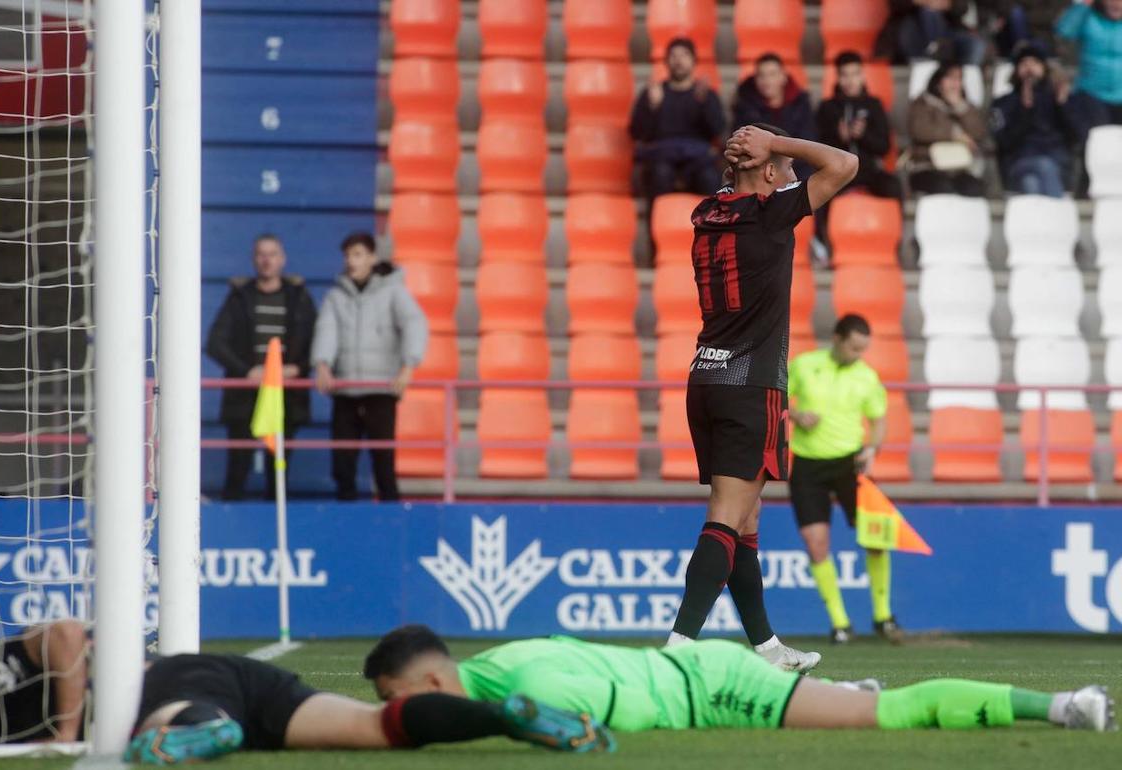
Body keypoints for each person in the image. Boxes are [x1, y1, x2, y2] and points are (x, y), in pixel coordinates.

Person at [667, 123, 859, 672]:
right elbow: (844, 164)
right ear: (770, 173)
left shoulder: (709, 213)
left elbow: (740, 187)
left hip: (706, 376)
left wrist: (754, 158)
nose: (793, 174)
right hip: (750, 386)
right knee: (726, 519)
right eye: (784, 169)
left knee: (746, 523)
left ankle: (768, 648)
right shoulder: (770, 213)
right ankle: (678, 648)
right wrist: (778, 142)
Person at [0, 620, 615, 760]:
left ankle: (206, 732)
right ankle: (504, 718)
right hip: (238, 675)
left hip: (165, 684)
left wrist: (66, 730)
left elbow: (69, 636)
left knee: (170, 718)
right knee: (373, 728)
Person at [365, 625, 1117, 734]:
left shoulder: (522, 681)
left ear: (433, 680)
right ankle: (840, 694)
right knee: (866, 709)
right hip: (695, 670)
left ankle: (1064, 707)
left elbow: (602, 721)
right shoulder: (487, 669)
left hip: (714, 687)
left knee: (892, 718)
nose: (396, 722)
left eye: (397, 706)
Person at [787, 315, 898, 644]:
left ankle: (883, 616)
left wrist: (873, 448)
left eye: (863, 349)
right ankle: (840, 623)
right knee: (816, 543)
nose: (858, 355)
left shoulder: (867, 377)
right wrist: (795, 414)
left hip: (851, 465)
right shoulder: (805, 365)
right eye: (853, 347)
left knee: (876, 538)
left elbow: (878, 421)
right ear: (836, 338)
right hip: (808, 465)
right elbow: (777, 397)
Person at [312, 232, 427, 503]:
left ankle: (393, 523)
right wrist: (322, 364)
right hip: (345, 391)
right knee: (342, 465)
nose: (352, 261)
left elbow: (415, 324)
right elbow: (326, 330)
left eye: (358, 254)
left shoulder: (394, 291)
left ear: (372, 258)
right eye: (348, 255)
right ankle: (347, 522)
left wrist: (409, 366)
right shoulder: (336, 296)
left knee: (383, 464)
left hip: (381, 390)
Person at [206, 234, 316, 501]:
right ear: (255, 259)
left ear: (283, 259)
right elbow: (215, 343)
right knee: (238, 467)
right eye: (261, 254)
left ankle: (277, 530)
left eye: (272, 254)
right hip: (244, 396)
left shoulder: (299, 298)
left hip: (285, 396)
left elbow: (317, 341)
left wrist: (297, 369)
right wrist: (247, 372)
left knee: (278, 468)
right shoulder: (239, 298)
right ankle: (230, 526)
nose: (267, 260)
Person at [628, 37, 727, 199]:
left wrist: (704, 105)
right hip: (661, 159)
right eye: (673, 56)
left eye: (684, 55)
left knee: (709, 176)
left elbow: (717, 131)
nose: (678, 61)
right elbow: (636, 134)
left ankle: (712, 223)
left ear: (694, 61)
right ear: (666, 62)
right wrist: (652, 107)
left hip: (697, 160)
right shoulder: (653, 93)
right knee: (660, 174)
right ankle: (656, 224)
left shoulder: (705, 95)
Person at [991, 43, 1077, 197]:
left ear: (1044, 68)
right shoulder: (1004, 103)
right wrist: (1025, 111)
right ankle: (1060, 215)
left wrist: (1062, 107)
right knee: (1044, 166)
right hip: (1019, 162)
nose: (1029, 69)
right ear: (1016, 70)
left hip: (1057, 163)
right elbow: (1003, 142)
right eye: (1024, 64)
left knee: (1031, 184)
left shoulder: (1058, 99)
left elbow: (1076, 137)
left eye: (1035, 63)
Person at [816, 51, 902, 200]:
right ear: (838, 77)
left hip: (869, 171)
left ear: (862, 76)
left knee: (893, 186)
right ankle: (824, 224)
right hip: (839, 172)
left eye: (855, 74)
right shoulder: (827, 107)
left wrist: (863, 136)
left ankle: (894, 222)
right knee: (821, 193)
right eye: (845, 75)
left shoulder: (874, 105)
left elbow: (884, 147)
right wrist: (839, 138)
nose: (850, 81)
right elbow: (816, 147)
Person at [907, 63, 990, 196]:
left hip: (961, 168)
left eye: (959, 79)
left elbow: (979, 132)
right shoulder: (922, 103)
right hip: (927, 166)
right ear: (938, 82)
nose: (955, 83)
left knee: (975, 188)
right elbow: (919, 130)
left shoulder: (967, 107)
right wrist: (954, 135)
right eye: (950, 78)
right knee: (943, 187)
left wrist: (960, 107)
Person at [732, 54, 816, 182]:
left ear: (783, 77)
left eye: (772, 74)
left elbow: (808, 140)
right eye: (761, 75)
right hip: (759, 169)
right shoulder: (745, 105)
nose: (766, 81)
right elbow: (740, 141)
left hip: (796, 166)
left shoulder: (801, 103)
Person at [1056, 0, 1122, 131]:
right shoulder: (1088, 17)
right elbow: (1064, 30)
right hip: (1092, 93)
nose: (1116, 3)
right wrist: (1084, 4)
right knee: (1100, 139)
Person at [878, 0, 987, 65]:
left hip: (946, 30)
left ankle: (958, 80)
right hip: (911, 30)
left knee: (975, 44)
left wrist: (948, 3)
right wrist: (924, 2)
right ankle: (933, 46)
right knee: (928, 12)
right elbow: (895, 3)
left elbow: (963, 7)